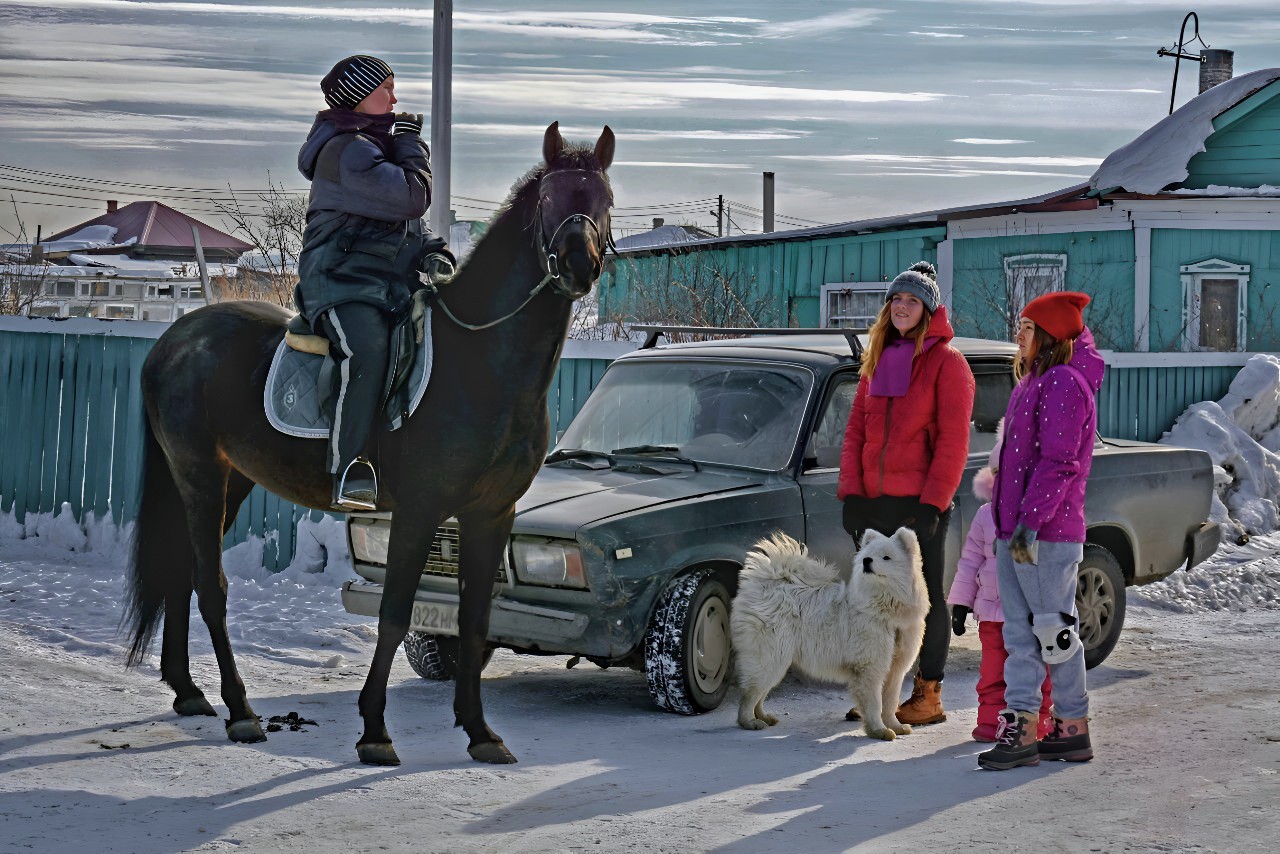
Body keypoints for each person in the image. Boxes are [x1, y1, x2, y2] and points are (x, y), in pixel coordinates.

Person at [837, 261, 975, 726]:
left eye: (912, 300)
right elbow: (856, 431)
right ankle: (874, 692)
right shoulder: (876, 358)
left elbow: (955, 441)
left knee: (923, 599)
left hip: (919, 507)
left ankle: (928, 693)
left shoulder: (947, 363)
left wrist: (933, 504)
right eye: (896, 299)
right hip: (875, 503)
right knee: (870, 604)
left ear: (928, 310)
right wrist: (852, 495)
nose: (901, 307)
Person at [294, 55, 435, 511]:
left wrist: (435, 250)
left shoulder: (372, 145)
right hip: (341, 283)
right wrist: (414, 148)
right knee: (367, 350)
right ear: (359, 96)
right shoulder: (347, 150)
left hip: (383, 282)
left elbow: (402, 224)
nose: (395, 98)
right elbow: (413, 197)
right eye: (386, 89)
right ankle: (349, 468)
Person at [978, 291, 1104, 771]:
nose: (1019, 336)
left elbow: (1060, 463)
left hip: (1045, 534)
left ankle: (1071, 725)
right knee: (1021, 635)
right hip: (1015, 530)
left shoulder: (1064, 384)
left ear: (1050, 335)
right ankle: (1028, 727)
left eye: (1028, 329)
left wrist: (1029, 524)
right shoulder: (1033, 381)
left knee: (1052, 630)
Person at [947, 419, 1053, 743]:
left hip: (1031, 617)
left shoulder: (1041, 518)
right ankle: (991, 724)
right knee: (992, 675)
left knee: (1037, 673)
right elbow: (969, 561)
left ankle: (1039, 723)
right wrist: (961, 603)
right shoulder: (984, 516)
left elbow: (1053, 567)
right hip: (992, 617)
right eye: (997, 476)